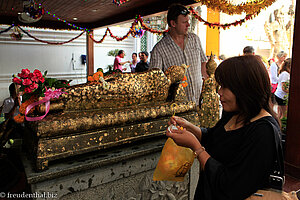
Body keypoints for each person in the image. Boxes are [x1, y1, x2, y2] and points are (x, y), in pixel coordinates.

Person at [166, 55, 282, 200]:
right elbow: (216, 138)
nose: (219, 92)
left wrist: (196, 148)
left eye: (225, 87)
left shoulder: (264, 131)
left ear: (245, 88)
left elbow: (231, 185)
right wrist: (190, 128)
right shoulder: (234, 113)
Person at [149, 3, 207, 106]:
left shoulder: (195, 39)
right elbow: (155, 81)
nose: (188, 25)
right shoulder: (159, 49)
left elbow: (203, 62)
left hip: (200, 102)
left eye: (188, 21)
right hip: (178, 108)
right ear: (173, 23)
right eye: (184, 22)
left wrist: (206, 84)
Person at [199, 56, 219, 128]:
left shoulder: (207, 80)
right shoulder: (216, 79)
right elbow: (217, 90)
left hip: (207, 99)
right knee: (214, 114)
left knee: (206, 116)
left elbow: (203, 91)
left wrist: (200, 100)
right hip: (214, 98)